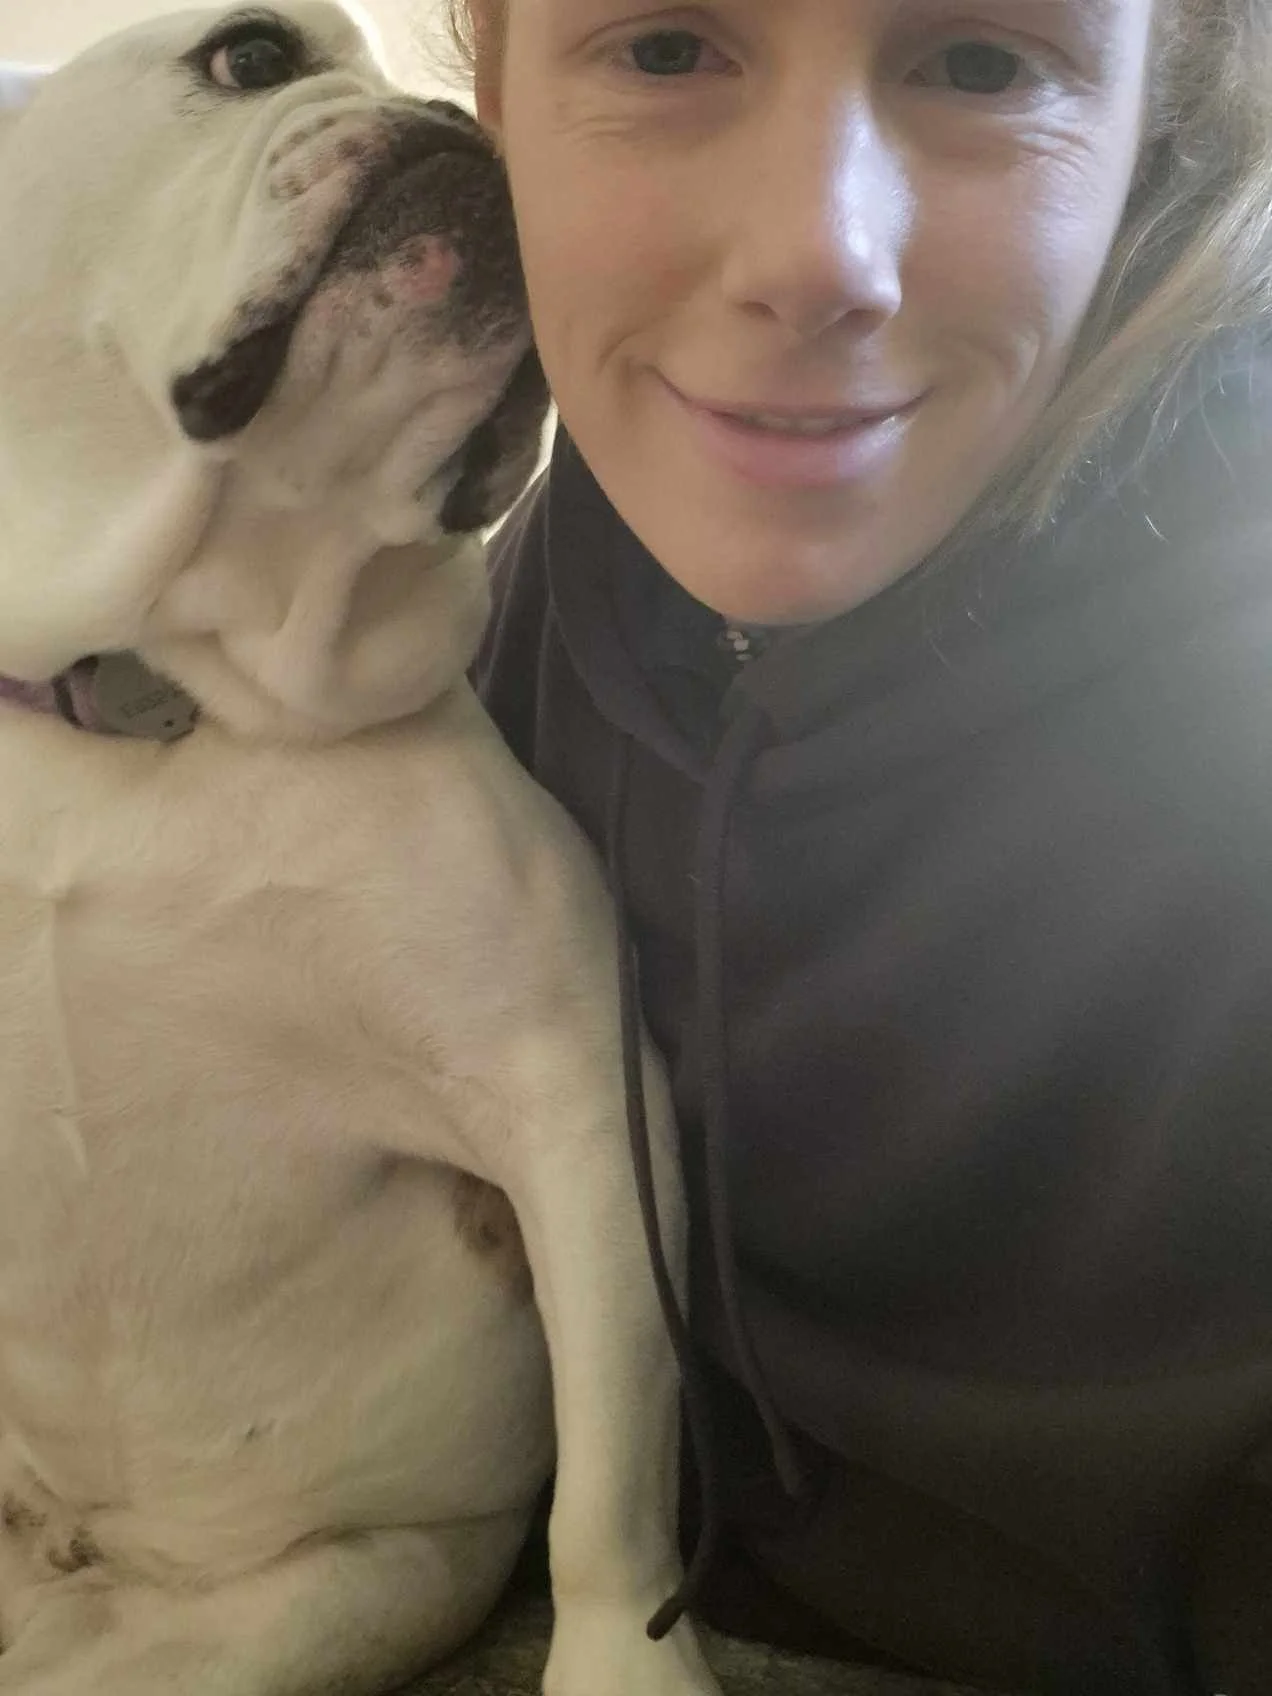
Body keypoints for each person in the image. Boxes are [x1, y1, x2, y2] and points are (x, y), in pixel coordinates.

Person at [447, 1, 1272, 1691]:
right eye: (665, 50)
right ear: (497, 97)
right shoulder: (555, 556)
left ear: (1160, 121)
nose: (816, 255)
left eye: (982, 65)